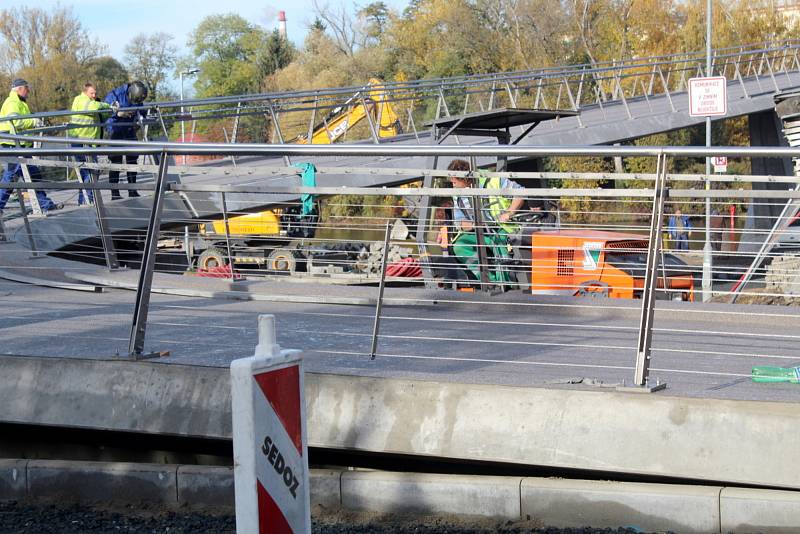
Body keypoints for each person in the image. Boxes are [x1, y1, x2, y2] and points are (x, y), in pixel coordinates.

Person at [0, 79, 61, 213]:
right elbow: (15, 122)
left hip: (18, 145)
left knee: (27, 175)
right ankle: (45, 204)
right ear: (19, 89)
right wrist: (33, 121)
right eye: (26, 88)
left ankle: (45, 204)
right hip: (13, 146)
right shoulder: (12, 102)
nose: (28, 91)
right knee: (15, 176)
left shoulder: (19, 102)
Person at [103, 81, 148, 200]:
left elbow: (142, 110)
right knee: (115, 161)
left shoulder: (137, 96)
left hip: (129, 130)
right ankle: (115, 193)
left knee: (132, 160)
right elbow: (104, 110)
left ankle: (132, 190)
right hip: (115, 130)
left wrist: (140, 120)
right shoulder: (115, 95)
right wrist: (118, 114)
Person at [70, 82, 112, 205]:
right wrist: (106, 105)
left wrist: (109, 110)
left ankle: (84, 200)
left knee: (87, 172)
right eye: (91, 93)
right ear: (85, 92)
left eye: (95, 93)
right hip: (81, 141)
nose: (94, 95)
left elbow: (101, 115)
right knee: (90, 171)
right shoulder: (81, 100)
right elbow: (92, 107)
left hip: (88, 141)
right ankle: (88, 200)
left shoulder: (92, 102)